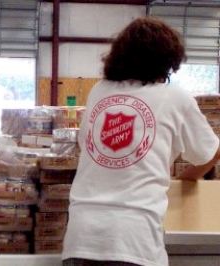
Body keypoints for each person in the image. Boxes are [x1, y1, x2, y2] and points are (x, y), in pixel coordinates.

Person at [62, 17, 220, 266]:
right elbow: (209, 152)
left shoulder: (99, 91)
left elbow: (86, 145)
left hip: (81, 237)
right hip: (134, 239)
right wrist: (188, 177)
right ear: (167, 62)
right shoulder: (175, 97)